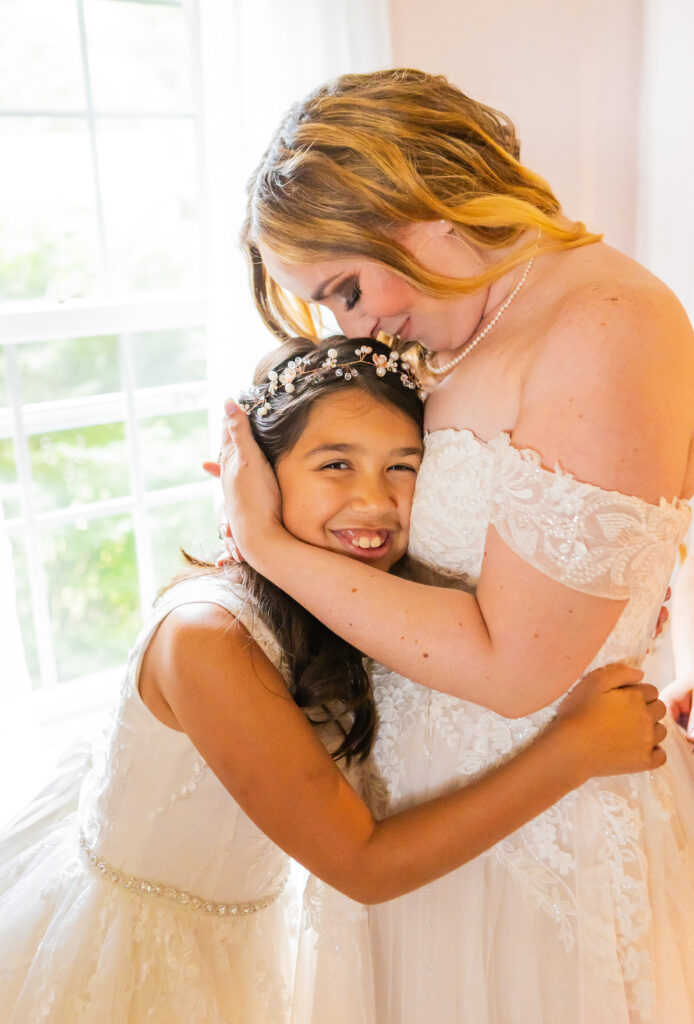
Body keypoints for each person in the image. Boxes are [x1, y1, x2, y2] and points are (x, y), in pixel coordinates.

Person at [0, 339, 664, 1024]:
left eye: (402, 467)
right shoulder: (210, 639)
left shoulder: (357, 597)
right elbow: (363, 865)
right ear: (253, 479)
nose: (373, 500)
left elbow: (495, 640)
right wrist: (577, 751)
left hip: (238, 931)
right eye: (336, 464)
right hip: (136, 958)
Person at [217, 69, 694, 1022]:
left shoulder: (605, 322)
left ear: (413, 198)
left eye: (347, 287)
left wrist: (266, 544)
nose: (355, 328)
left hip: (543, 843)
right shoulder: (466, 325)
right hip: (425, 820)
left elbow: (514, 668)